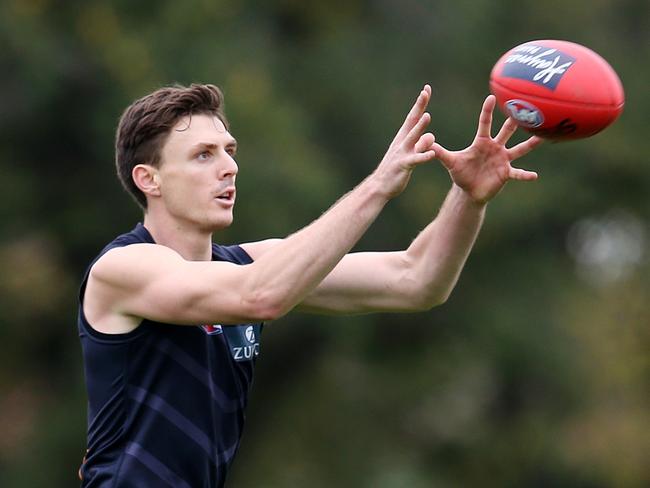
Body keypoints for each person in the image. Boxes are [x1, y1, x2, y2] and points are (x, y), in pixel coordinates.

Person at [77, 83, 542, 487]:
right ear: (149, 179)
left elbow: (416, 280)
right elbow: (259, 296)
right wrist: (378, 185)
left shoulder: (247, 265)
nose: (229, 168)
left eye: (229, 151)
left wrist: (468, 197)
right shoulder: (123, 269)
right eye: (203, 155)